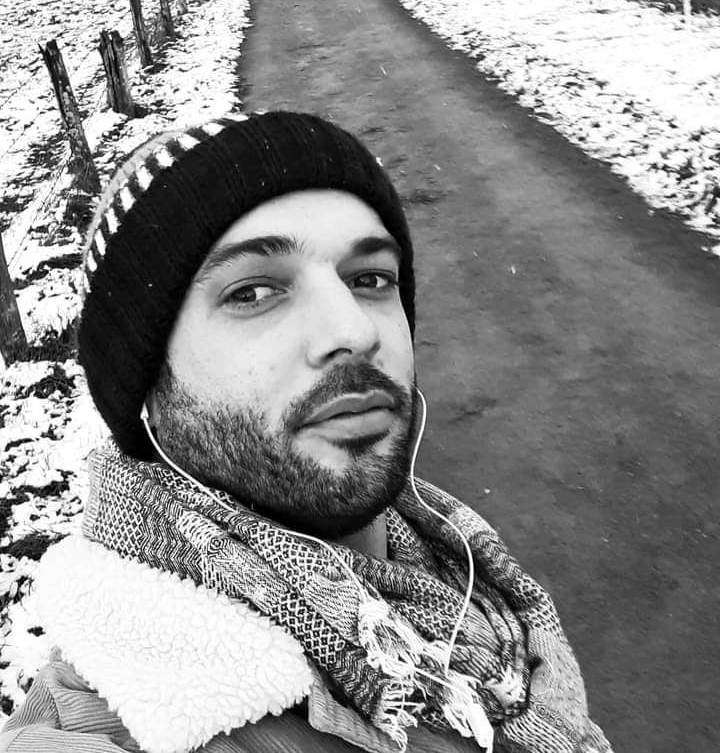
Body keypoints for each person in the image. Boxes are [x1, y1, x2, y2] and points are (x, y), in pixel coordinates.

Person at [0, 111, 612, 753]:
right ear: (145, 384)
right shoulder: (123, 716)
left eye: (370, 279)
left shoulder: (464, 573)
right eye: (252, 292)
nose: (354, 330)